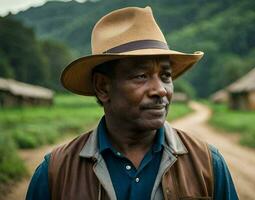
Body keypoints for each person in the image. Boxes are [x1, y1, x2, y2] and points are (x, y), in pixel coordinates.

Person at [26, 6, 238, 200]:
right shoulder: (55, 173)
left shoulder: (208, 164)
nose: (160, 90)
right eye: (141, 75)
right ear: (102, 87)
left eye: (165, 75)